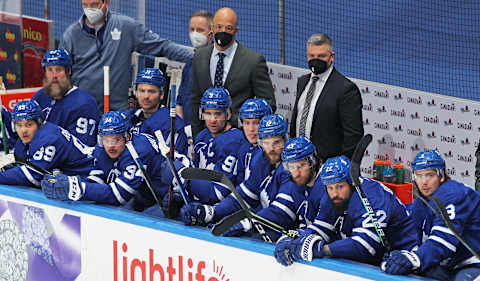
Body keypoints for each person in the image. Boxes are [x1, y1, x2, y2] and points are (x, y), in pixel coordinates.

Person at [182, 114, 307, 242]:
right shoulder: (261, 161)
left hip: (294, 232)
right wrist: (211, 212)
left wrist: (247, 224)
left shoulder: (293, 168)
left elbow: (281, 213)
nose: (271, 149)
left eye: (277, 142)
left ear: (286, 140)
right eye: (266, 143)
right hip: (269, 225)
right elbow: (244, 196)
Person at [275, 155, 417, 266]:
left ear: (352, 183)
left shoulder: (373, 197)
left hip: (404, 256)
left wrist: (322, 249)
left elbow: (365, 246)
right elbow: (320, 227)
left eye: (340, 186)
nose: (335, 193)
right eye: (330, 188)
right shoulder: (332, 196)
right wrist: (294, 238)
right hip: (379, 260)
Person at [60, 0, 193, 111]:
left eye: (94, 4)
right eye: (85, 5)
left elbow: (162, 46)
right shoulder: (71, 35)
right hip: (82, 109)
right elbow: (61, 76)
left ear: (106, 2)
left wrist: (199, 57)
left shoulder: (125, 27)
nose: (89, 9)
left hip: (117, 111)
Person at [41, 111, 178, 209]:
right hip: (145, 193)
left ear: (127, 136)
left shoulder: (138, 152)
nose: (110, 145)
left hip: (172, 194)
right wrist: (72, 184)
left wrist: (78, 188)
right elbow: (97, 178)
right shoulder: (102, 149)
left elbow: (118, 196)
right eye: (106, 139)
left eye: (116, 139)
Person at [382, 150, 480, 281]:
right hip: (452, 264)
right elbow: (410, 237)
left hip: (474, 261)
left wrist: (414, 259)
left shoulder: (452, 194)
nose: (424, 182)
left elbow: (444, 242)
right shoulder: (421, 202)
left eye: (430, 175)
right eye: (419, 175)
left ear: (442, 176)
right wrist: (396, 255)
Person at [190, 7, 276, 139]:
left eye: (228, 28)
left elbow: (268, 104)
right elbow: (196, 99)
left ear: (236, 31)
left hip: (239, 138)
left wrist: (239, 122)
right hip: (206, 136)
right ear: (212, 28)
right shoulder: (199, 57)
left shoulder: (253, 61)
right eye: (219, 27)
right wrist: (197, 138)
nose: (223, 31)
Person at [289, 33, 363, 162]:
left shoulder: (346, 89)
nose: (315, 59)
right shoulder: (302, 82)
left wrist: (338, 165)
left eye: (321, 56)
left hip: (326, 167)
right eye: (312, 56)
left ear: (331, 57)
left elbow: (353, 136)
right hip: (298, 162)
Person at [0, 100, 94, 187]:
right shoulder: (26, 139)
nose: (23, 130)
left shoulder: (50, 138)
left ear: (39, 122)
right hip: (73, 175)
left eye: (29, 125)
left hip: (91, 172)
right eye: (19, 125)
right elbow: (21, 165)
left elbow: (33, 175)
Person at [188, 87, 247, 205]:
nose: (212, 120)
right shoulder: (202, 136)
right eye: (208, 114)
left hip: (220, 209)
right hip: (198, 201)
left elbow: (218, 193)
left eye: (218, 114)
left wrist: (185, 180)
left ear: (228, 114)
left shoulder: (235, 140)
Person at [33, 48, 101, 147]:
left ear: (68, 71)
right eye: (50, 70)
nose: (54, 75)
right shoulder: (40, 97)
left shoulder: (85, 104)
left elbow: (82, 148)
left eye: (58, 70)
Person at [128, 68, 188, 155]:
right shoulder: (129, 118)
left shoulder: (172, 124)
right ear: (136, 93)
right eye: (142, 91)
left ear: (161, 94)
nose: (146, 96)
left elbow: (173, 161)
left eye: (151, 91)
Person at [176, 10, 214, 128]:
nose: (195, 34)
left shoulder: (218, 65)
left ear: (211, 34)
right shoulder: (189, 63)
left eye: (200, 30)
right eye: (192, 29)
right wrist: (183, 129)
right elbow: (180, 102)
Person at [234, 98, 272, 185]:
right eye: (247, 123)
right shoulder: (244, 148)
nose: (251, 129)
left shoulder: (272, 152)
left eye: (256, 123)